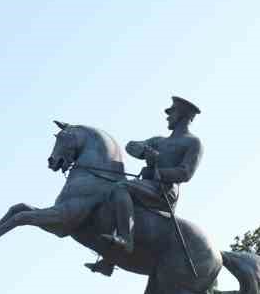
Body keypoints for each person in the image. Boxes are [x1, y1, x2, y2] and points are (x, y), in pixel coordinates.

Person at [85, 95, 204, 275]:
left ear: (182, 116)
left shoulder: (192, 143)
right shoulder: (159, 141)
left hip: (165, 191)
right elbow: (130, 146)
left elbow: (186, 173)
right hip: (147, 186)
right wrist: (144, 151)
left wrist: (157, 172)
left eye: (171, 112)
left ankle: (126, 239)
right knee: (112, 193)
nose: (167, 116)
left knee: (121, 187)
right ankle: (109, 259)